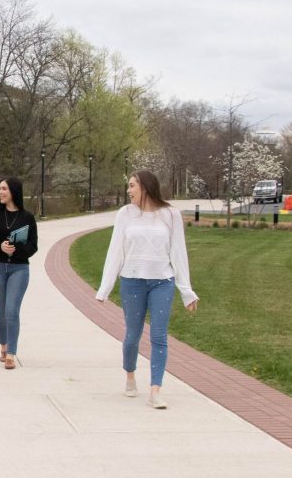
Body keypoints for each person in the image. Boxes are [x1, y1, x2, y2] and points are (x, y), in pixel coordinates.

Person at [96, 170, 199, 409]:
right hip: (132, 281)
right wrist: (105, 288)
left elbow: (178, 253)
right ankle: (130, 377)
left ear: (145, 186)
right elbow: (115, 251)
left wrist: (186, 291)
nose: (128, 190)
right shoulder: (126, 214)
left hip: (162, 282)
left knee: (159, 336)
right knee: (132, 335)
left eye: (132, 186)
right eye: (128, 186)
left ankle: (155, 390)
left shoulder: (171, 215)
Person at [0, 177, 38, 370]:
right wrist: (0, 247)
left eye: (3, 188)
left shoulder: (27, 217)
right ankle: (3, 346)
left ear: (13, 191)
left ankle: (12, 353)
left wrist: (16, 250)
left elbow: (33, 246)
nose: (0, 192)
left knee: (12, 310)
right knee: (1, 312)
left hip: (19, 269)